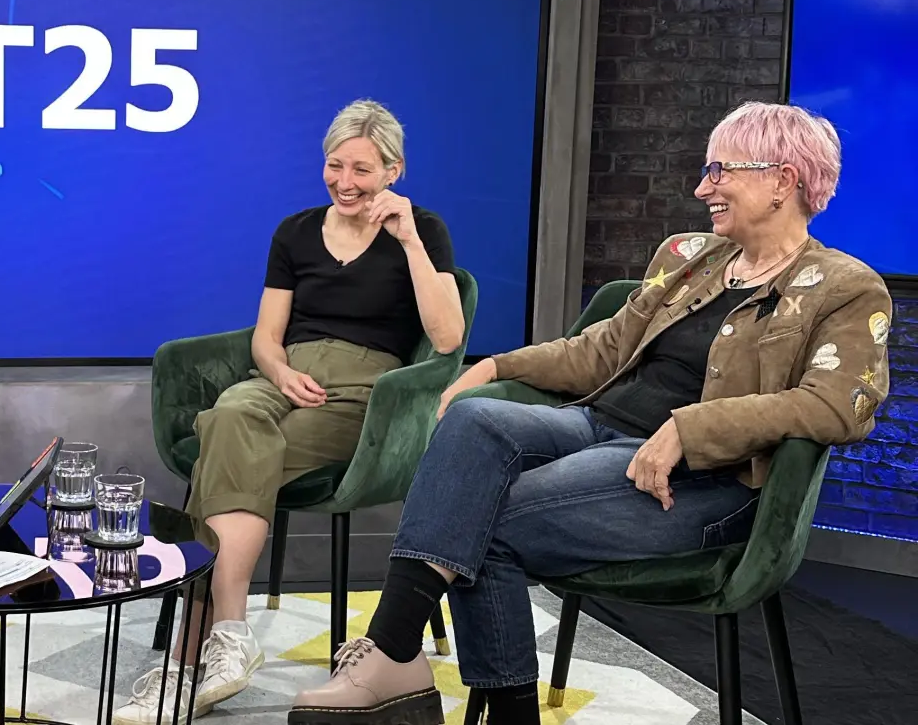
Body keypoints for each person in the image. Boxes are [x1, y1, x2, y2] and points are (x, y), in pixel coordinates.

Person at [287, 101, 892, 725]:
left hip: (704, 481)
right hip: (598, 427)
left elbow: (836, 405)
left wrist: (691, 427)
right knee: (474, 422)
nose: (701, 186)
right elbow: (601, 348)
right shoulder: (692, 257)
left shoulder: (843, 288)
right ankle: (397, 654)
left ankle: (434, 680)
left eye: (720, 170)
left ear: (783, 180)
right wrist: (497, 366)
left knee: (481, 520)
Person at [116, 100, 465, 725]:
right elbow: (265, 336)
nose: (346, 182)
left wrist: (409, 239)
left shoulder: (424, 230)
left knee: (225, 440)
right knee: (230, 415)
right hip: (285, 374)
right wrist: (279, 372)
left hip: (366, 393)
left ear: (394, 170)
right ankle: (230, 635)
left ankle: (189, 658)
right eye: (335, 166)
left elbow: (445, 338)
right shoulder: (296, 232)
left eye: (362, 169)